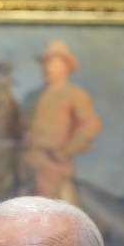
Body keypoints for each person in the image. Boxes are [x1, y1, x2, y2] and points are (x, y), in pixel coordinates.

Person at [20, 40, 103, 203]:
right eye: (46, 63)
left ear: (66, 67)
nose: (48, 68)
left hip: (53, 165)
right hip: (24, 163)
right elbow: (19, 125)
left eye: (54, 63)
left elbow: (92, 124)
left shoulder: (74, 94)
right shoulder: (32, 96)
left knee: (44, 205)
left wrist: (66, 151)